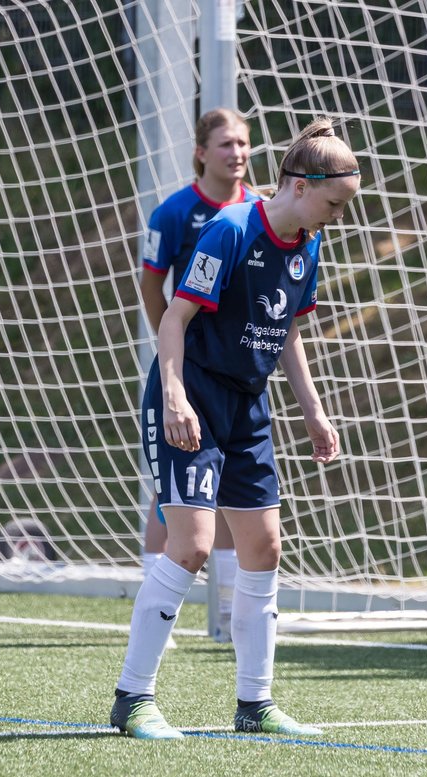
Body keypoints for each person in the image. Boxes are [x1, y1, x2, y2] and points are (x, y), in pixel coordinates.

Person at [112, 117, 361, 739]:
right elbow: (174, 320)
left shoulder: (307, 239)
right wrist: (173, 398)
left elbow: (289, 331)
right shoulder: (230, 229)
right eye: (333, 203)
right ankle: (133, 699)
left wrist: (312, 408)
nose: (337, 216)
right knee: (192, 546)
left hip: (249, 405)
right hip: (191, 394)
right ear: (300, 185)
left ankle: (256, 706)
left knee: (264, 548)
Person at [139, 108, 258, 640]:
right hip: (187, 372)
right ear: (201, 153)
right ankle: (156, 600)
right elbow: (150, 283)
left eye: (243, 143)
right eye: (226, 144)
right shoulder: (173, 213)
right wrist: (174, 343)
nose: (237, 153)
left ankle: (231, 615)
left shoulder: (262, 210)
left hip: (237, 377)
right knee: (176, 490)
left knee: (232, 492)